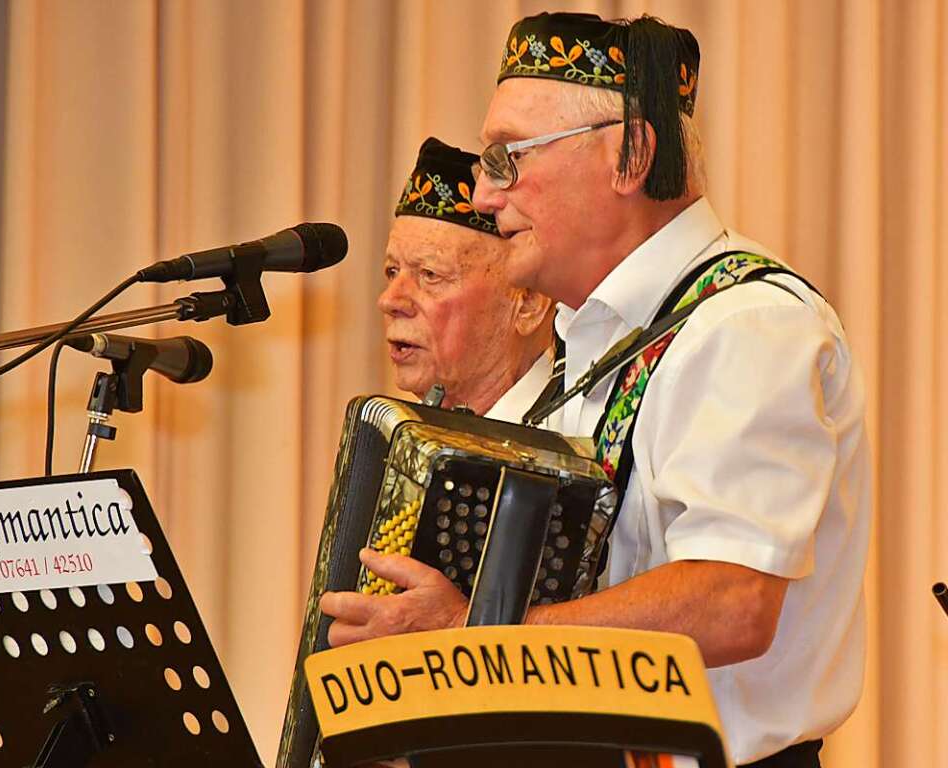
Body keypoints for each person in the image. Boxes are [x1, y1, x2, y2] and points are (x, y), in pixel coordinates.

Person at [322, 14, 871, 768]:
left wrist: (479, 641)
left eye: (507, 158)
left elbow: (733, 599)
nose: (483, 194)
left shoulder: (745, 325)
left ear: (631, 155)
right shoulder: (594, 339)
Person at [381, 136, 554, 420]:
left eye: (429, 274)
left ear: (528, 303)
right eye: (392, 271)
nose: (389, 300)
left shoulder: (569, 445)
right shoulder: (407, 440)